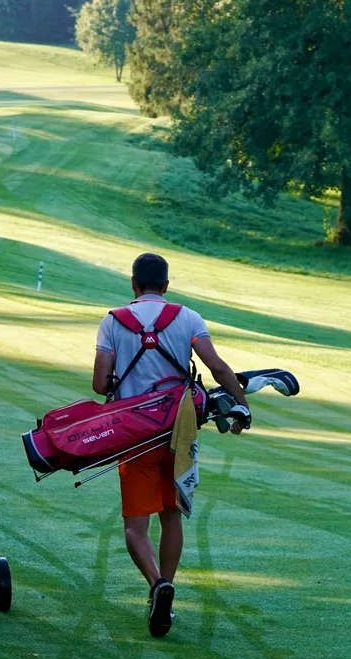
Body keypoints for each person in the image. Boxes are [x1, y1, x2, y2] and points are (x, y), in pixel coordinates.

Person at [92, 253, 250, 637]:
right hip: (179, 432)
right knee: (171, 516)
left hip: (135, 434)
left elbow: (99, 384)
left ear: (133, 283)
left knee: (135, 526)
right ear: (166, 285)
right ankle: (166, 589)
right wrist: (242, 404)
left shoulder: (113, 321)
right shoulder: (188, 318)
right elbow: (217, 367)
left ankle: (156, 584)